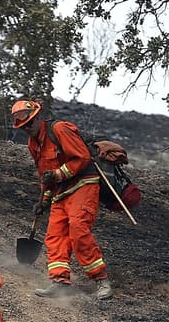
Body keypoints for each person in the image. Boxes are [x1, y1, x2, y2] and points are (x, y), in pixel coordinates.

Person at [10, 99, 112, 300]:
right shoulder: (33, 144)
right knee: (54, 236)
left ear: (37, 117)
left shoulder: (60, 129)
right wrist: (44, 199)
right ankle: (59, 281)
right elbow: (45, 175)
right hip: (60, 192)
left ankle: (101, 280)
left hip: (83, 184)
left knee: (78, 229)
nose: (27, 128)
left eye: (29, 123)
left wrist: (57, 175)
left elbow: (81, 158)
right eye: (23, 127)